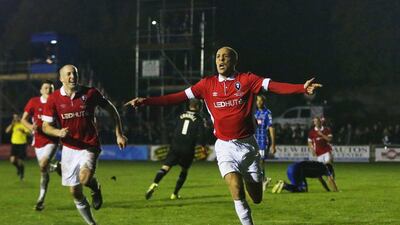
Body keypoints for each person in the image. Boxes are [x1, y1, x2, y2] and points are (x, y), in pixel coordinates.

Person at [125, 46, 322, 225]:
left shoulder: (247, 80)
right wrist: (146, 101)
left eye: (225, 57)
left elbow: (274, 86)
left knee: (257, 198)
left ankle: (250, 178)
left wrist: (301, 87)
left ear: (233, 61)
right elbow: (176, 97)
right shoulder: (206, 85)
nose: (220, 60)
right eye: (218, 57)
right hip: (225, 146)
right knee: (236, 189)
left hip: (249, 147)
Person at [41, 65, 128, 225]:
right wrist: (58, 133)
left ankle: (96, 189)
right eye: (68, 74)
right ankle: (91, 223)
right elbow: (45, 126)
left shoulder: (90, 93)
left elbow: (112, 110)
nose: (72, 77)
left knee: (85, 178)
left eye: (74, 74)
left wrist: (119, 134)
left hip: (90, 144)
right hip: (69, 148)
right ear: (61, 79)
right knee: (75, 192)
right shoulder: (53, 99)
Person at [145, 99, 206, 200]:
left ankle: (154, 185)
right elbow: (202, 135)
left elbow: (175, 128)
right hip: (188, 147)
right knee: (184, 170)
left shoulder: (180, 115)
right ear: (199, 107)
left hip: (175, 145)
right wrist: (203, 146)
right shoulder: (199, 118)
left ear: (189, 105)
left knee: (165, 167)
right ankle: (174, 194)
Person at [21, 80, 60, 211]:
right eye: (46, 88)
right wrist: (31, 127)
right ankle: (41, 199)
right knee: (44, 170)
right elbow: (23, 120)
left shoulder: (56, 103)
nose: (48, 90)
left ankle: (54, 167)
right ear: (41, 90)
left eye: (51, 88)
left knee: (43, 164)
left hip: (52, 139)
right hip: (38, 141)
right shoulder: (33, 101)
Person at [271, 160, 339, 193]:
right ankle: (284, 185)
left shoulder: (319, 167)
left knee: (301, 189)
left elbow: (321, 180)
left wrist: (328, 191)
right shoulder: (325, 168)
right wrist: (336, 191)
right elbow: (331, 180)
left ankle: (281, 184)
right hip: (297, 170)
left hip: (291, 168)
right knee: (301, 190)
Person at [254, 95, 276, 191]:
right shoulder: (254, 112)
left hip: (263, 140)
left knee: (260, 161)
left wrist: (273, 144)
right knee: (254, 162)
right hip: (253, 140)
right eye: (257, 101)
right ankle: (260, 180)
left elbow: (271, 128)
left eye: (260, 100)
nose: (258, 102)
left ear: (264, 102)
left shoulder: (267, 113)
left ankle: (262, 181)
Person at [5, 113, 31, 180]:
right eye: (14, 117)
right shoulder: (14, 125)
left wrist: (24, 132)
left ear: (19, 117)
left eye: (16, 117)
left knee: (20, 161)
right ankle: (18, 169)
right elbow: (7, 131)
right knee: (12, 160)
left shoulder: (23, 124)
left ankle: (22, 175)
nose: (15, 118)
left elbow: (29, 133)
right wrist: (11, 124)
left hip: (22, 144)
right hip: (14, 144)